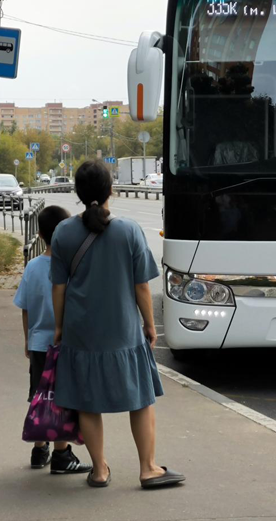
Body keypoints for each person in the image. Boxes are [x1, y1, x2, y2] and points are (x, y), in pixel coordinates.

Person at [51, 161, 185, 489]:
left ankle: (98, 471)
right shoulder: (129, 230)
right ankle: (148, 468)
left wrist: (59, 327)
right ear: (111, 190)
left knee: (86, 400)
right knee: (140, 400)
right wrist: (150, 325)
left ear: (78, 193)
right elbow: (142, 286)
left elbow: (58, 287)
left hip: (81, 330)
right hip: (123, 330)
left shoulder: (63, 232)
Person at [13, 206, 92, 474]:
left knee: (39, 395)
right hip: (63, 344)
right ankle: (61, 454)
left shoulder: (32, 267)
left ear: (41, 234)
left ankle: (39, 449)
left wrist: (27, 339)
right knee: (60, 398)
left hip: (37, 343)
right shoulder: (69, 269)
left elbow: (25, 307)